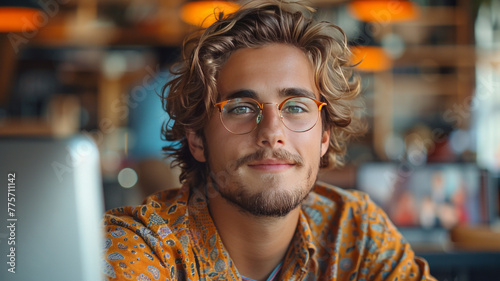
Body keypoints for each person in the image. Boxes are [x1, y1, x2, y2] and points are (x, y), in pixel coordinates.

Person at [103, 1, 436, 280]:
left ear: (324, 137)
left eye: (295, 107)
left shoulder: (356, 232)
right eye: (241, 108)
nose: (272, 132)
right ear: (197, 139)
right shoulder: (141, 245)